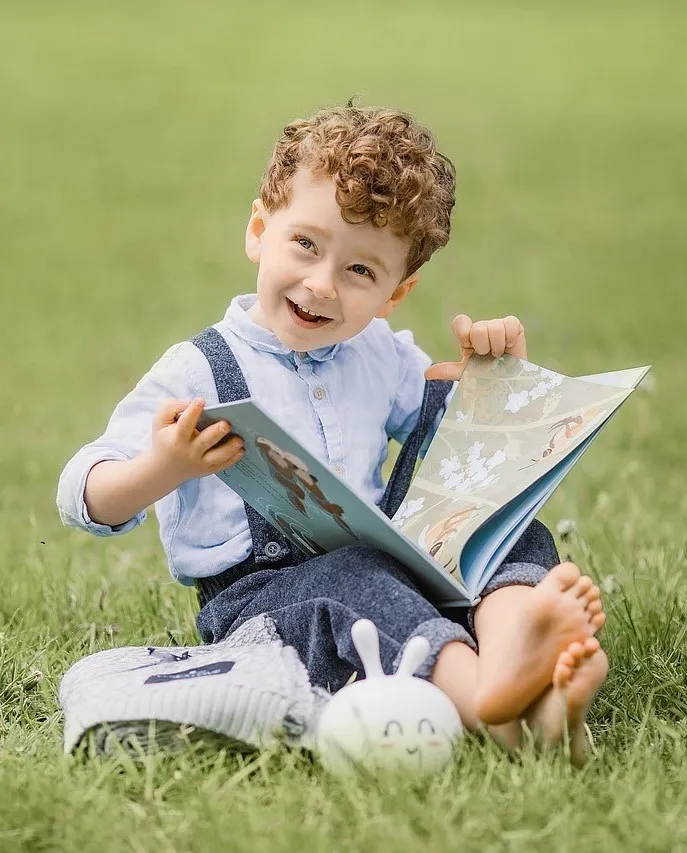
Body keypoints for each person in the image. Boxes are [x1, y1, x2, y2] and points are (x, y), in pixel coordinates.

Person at [57, 105, 608, 765]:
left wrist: (493, 377)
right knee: (353, 580)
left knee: (500, 522)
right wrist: (161, 467)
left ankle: (524, 649)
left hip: (389, 568)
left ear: (394, 294)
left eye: (359, 272)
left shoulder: (378, 353)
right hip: (264, 603)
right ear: (259, 230)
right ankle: (492, 696)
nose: (321, 284)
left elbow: (454, 439)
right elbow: (82, 493)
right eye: (306, 245)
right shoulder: (198, 368)